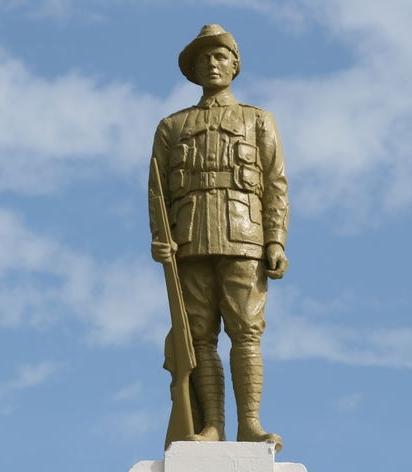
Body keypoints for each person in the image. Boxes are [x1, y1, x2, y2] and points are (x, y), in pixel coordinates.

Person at [149, 24, 289, 452]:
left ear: (235, 64)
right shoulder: (172, 125)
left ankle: (250, 423)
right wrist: (161, 237)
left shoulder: (258, 119)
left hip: (244, 235)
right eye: (204, 58)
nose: (212, 63)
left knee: (246, 332)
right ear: (193, 69)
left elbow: (276, 182)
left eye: (220, 56)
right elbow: (158, 190)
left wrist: (275, 241)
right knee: (200, 338)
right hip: (189, 240)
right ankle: (212, 425)